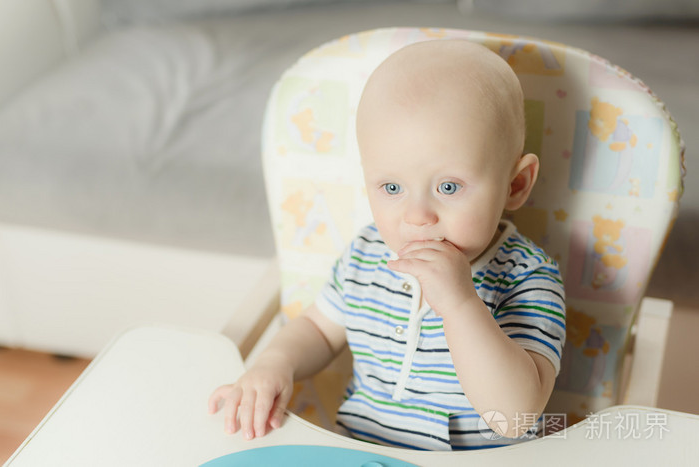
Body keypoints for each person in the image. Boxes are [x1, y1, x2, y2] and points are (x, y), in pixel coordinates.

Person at [209, 39, 566, 451]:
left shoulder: (527, 277)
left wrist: (461, 304)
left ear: (515, 184)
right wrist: (276, 363)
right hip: (361, 451)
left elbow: (513, 417)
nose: (417, 216)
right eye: (392, 187)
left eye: (448, 187)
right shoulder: (366, 254)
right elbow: (318, 330)